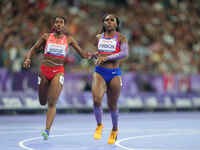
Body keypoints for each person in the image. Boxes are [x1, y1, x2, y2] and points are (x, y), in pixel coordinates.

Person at [23, 16, 91, 140]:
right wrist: (28, 58)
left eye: (61, 22)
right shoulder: (46, 37)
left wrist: (90, 55)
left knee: (52, 102)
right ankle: (45, 95)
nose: (59, 24)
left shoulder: (69, 39)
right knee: (42, 101)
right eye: (57, 22)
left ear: (64, 26)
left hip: (58, 71)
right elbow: (33, 49)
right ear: (54, 25)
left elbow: (82, 54)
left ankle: (47, 131)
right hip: (44, 70)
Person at [92, 14, 129, 144]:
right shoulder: (98, 37)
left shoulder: (121, 38)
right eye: (106, 20)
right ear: (103, 23)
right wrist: (94, 55)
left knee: (112, 105)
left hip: (114, 73)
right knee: (96, 100)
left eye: (112, 20)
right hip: (100, 72)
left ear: (117, 24)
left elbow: (124, 53)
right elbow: (98, 53)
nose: (108, 22)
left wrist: (106, 57)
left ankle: (114, 129)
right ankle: (99, 125)